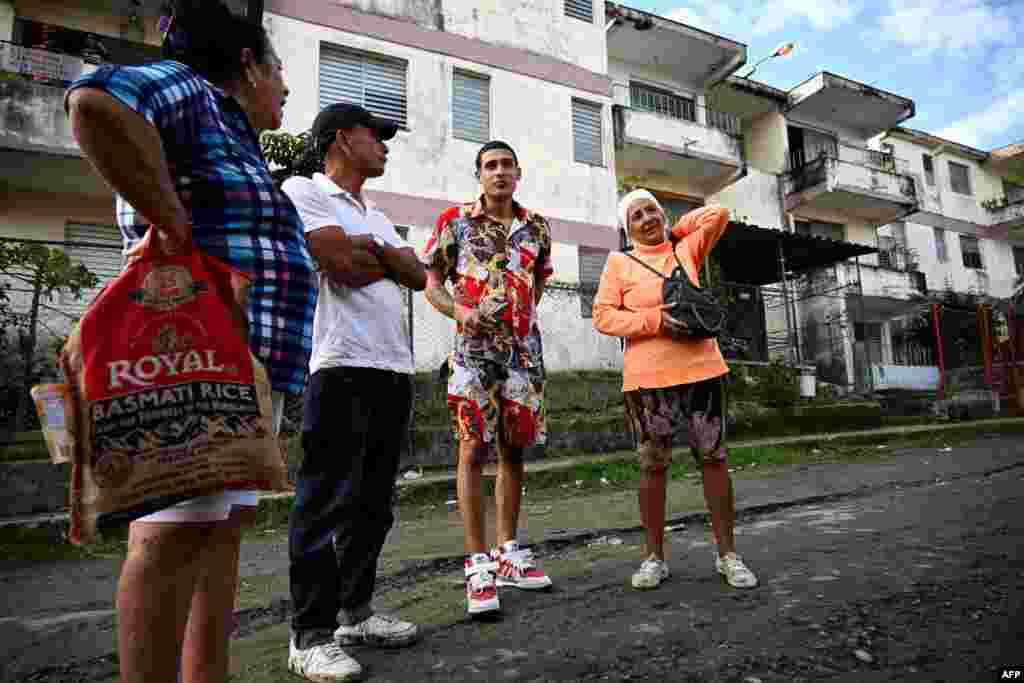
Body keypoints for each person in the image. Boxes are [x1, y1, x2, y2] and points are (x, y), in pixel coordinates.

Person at [64, 2, 317, 681]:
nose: (286, 88)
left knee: (218, 530)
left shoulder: (231, 133)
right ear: (249, 66)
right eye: (281, 70)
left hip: (242, 361)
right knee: (174, 530)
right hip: (193, 353)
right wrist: (171, 222)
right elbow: (94, 102)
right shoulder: (189, 89)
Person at [281, 103, 426, 682]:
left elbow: (418, 274)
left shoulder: (378, 213)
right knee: (323, 500)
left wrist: (386, 256)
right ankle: (309, 635)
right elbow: (339, 263)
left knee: (373, 501)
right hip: (341, 365)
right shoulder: (304, 189)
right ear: (342, 139)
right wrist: (384, 259)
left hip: (393, 367)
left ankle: (355, 612)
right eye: (377, 136)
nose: (385, 147)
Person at [592, 189, 758, 591]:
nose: (647, 219)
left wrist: (677, 230)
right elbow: (603, 316)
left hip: (703, 369)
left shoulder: (686, 249)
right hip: (647, 380)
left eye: (652, 211)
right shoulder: (619, 262)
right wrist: (655, 321)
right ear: (626, 228)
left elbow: (717, 213)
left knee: (714, 459)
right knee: (652, 465)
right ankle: (654, 558)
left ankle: (728, 555)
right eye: (637, 215)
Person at [422, 141, 554, 617]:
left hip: (523, 354)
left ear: (518, 173)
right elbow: (431, 282)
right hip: (473, 355)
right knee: (472, 448)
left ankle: (508, 552)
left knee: (514, 448)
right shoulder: (455, 221)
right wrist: (460, 310)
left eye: (506, 165)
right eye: (489, 166)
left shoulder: (536, 227)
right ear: (479, 174)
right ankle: (477, 563)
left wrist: (519, 313)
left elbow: (538, 280)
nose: (498, 172)